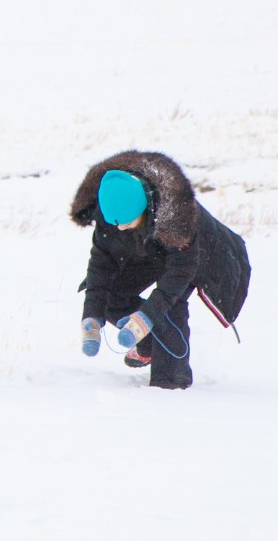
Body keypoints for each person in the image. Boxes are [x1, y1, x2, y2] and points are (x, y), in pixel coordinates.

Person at [69, 150, 250, 391]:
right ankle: (148, 342)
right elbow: (101, 265)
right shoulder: (111, 208)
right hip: (148, 248)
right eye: (115, 223)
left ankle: (170, 385)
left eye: (126, 221)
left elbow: (178, 274)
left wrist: (146, 317)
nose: (120, 228)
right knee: (109, 294)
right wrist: (91, 316)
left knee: (168, 307)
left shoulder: (177, 216)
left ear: (143, 209)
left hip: (197, 255)